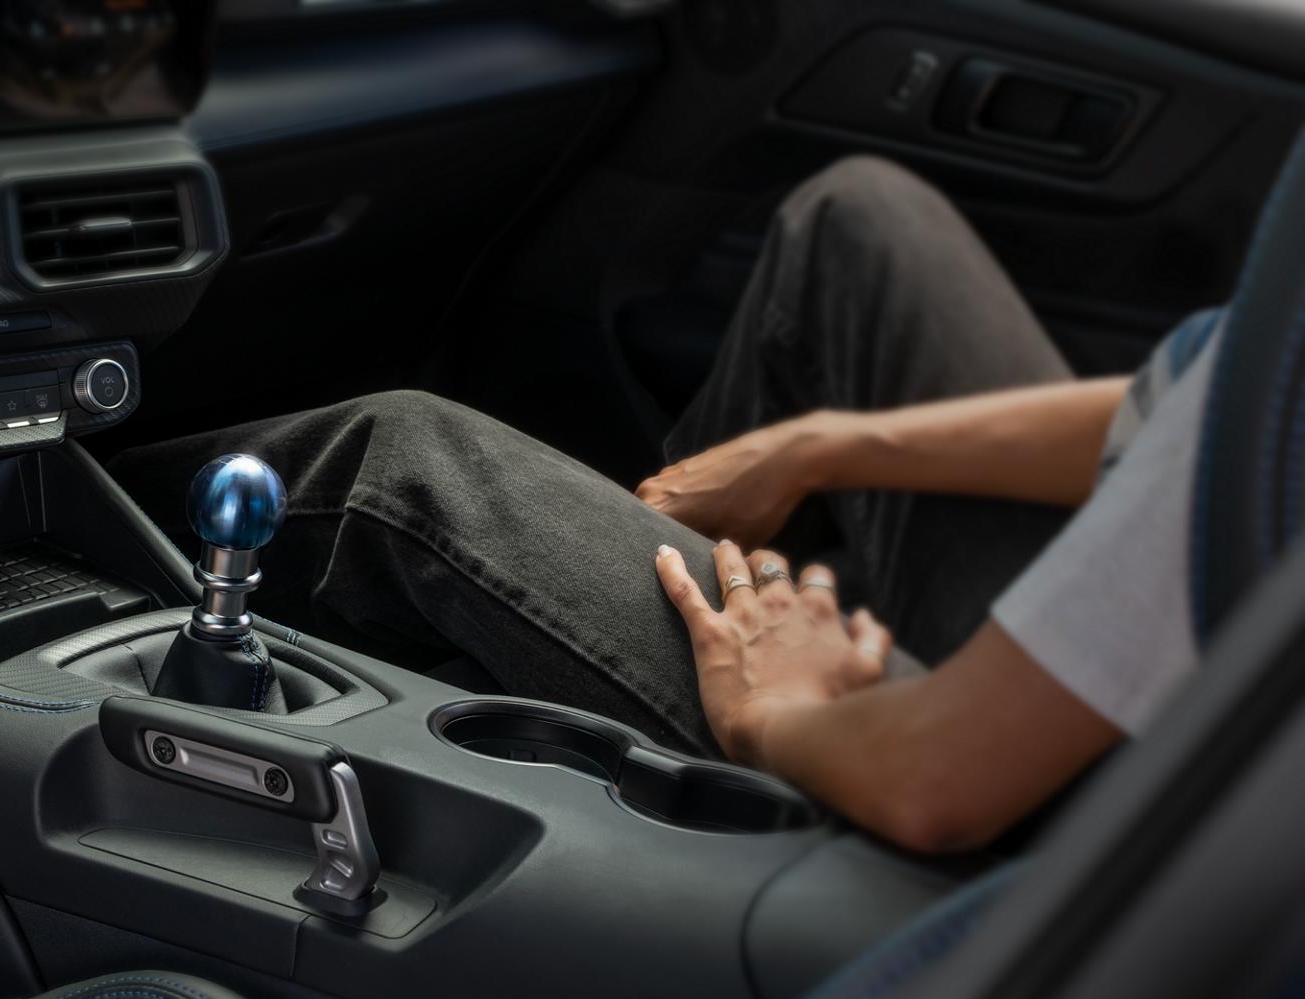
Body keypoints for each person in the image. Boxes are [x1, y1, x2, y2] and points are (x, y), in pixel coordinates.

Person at [109, 156, 1220, 855]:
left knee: (400, 462)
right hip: (1186, 699)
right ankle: (561, 656)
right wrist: (821, 446)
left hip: (1107, 848)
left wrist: (779, 711)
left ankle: (41, 536)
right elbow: (1204, 414)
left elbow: (938, 787)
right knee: (861, 227)